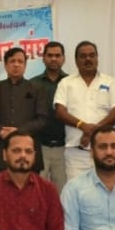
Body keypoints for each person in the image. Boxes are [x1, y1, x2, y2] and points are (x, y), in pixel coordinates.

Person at [54, 41, 115, 181]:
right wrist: (82, 125)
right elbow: (60, 112)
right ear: (76, 60)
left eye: (92, 55)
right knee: (77, 191)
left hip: (107, 151)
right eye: (83, 56)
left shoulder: (110, 82)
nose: (88, 59)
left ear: (97, 58)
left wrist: (92, 131)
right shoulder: (66, 83)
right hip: (76, 154)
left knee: (110, 188)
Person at [0, 47, 47, 173]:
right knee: (1, 186)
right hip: (1, 151)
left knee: (31, 186)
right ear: (5, 65)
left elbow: (42, 119)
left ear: (25, 65)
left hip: (29, 153)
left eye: (20, 61)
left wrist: (19, 131)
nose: (16, 65)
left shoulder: (37, 89)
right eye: (12, 61)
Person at [31, 41, 69, 192]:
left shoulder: (71, 83)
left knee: (63, 194)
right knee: (37, 192)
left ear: (63, 58)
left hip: (65, 148)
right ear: (43, 58)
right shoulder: (33, 84)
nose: (54, 59)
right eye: (50, 55)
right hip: (40, 148)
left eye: (57, 55)